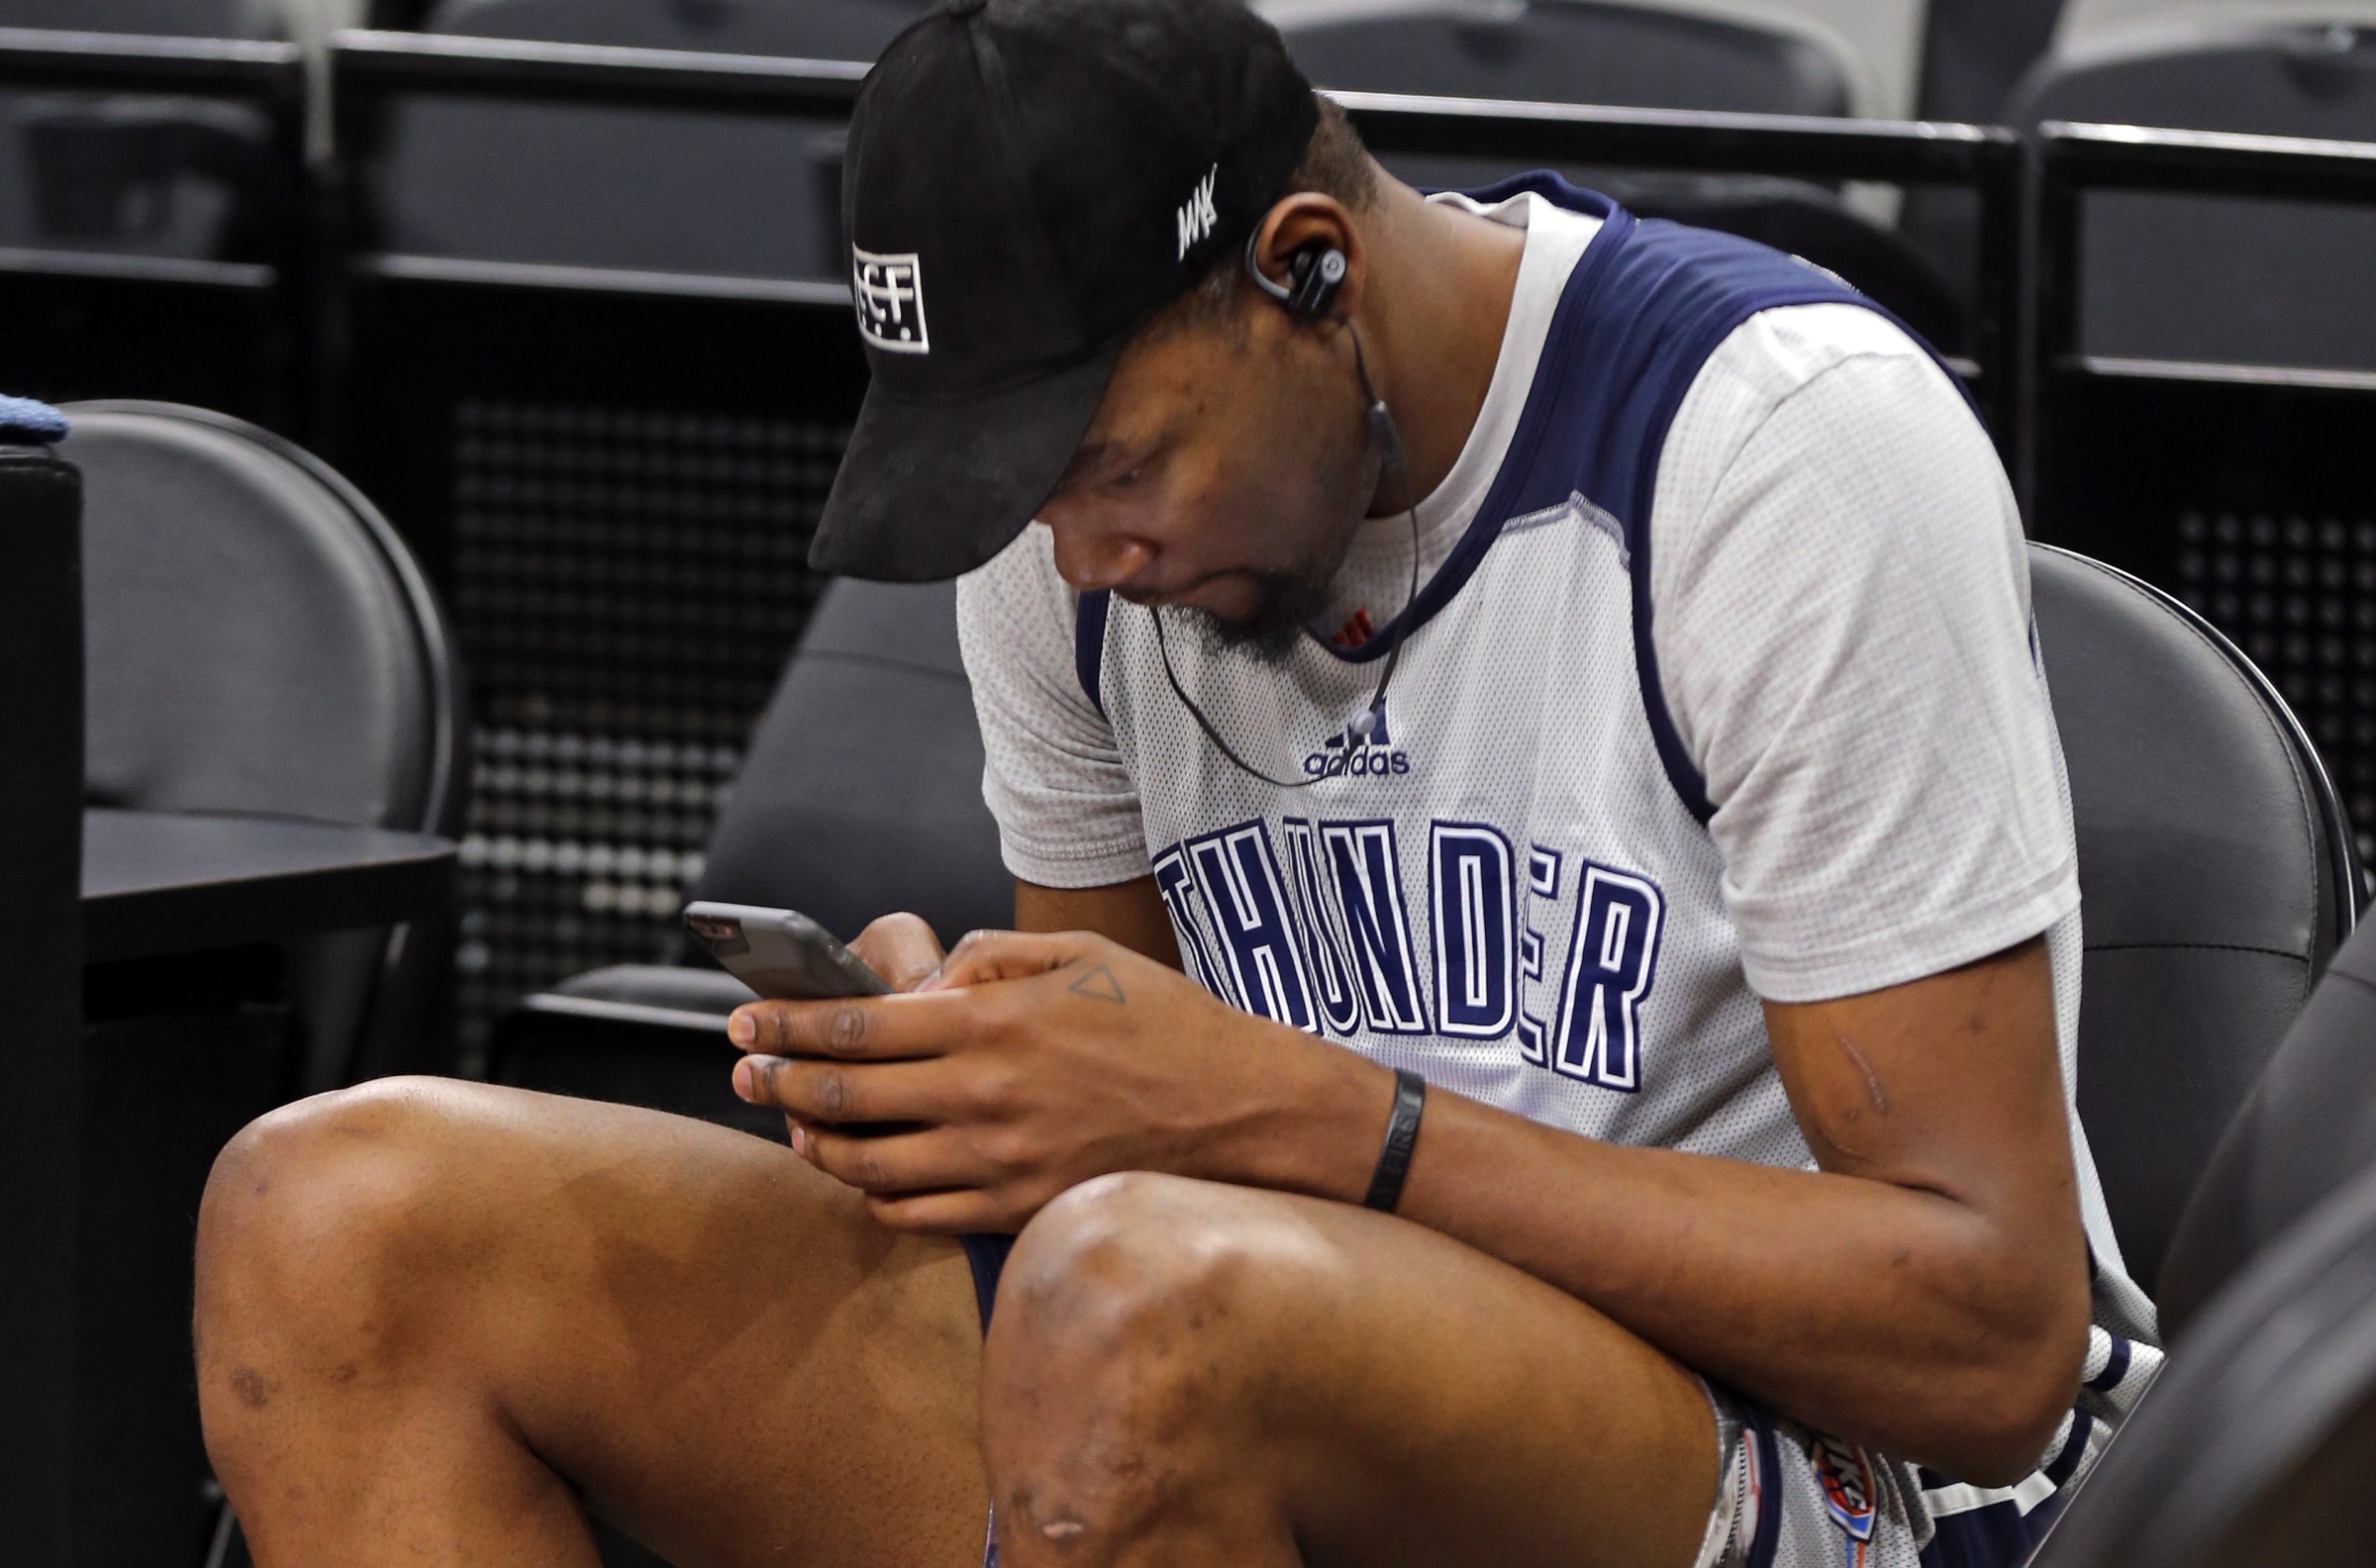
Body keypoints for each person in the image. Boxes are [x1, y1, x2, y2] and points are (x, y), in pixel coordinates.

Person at [192, 1, 2161, 1564]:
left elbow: (1987, 1342)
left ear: (1307, 271)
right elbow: (1130, 1178)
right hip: (1244, 1349)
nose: (1078, 555)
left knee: (1150, 1303)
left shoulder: (1775, 453)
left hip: (1823, 1470)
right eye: (1024, 489)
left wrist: (1325, 1121)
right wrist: (981, 1080)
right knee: (340, 1211)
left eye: (1113, 465)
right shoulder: (1067, 559)